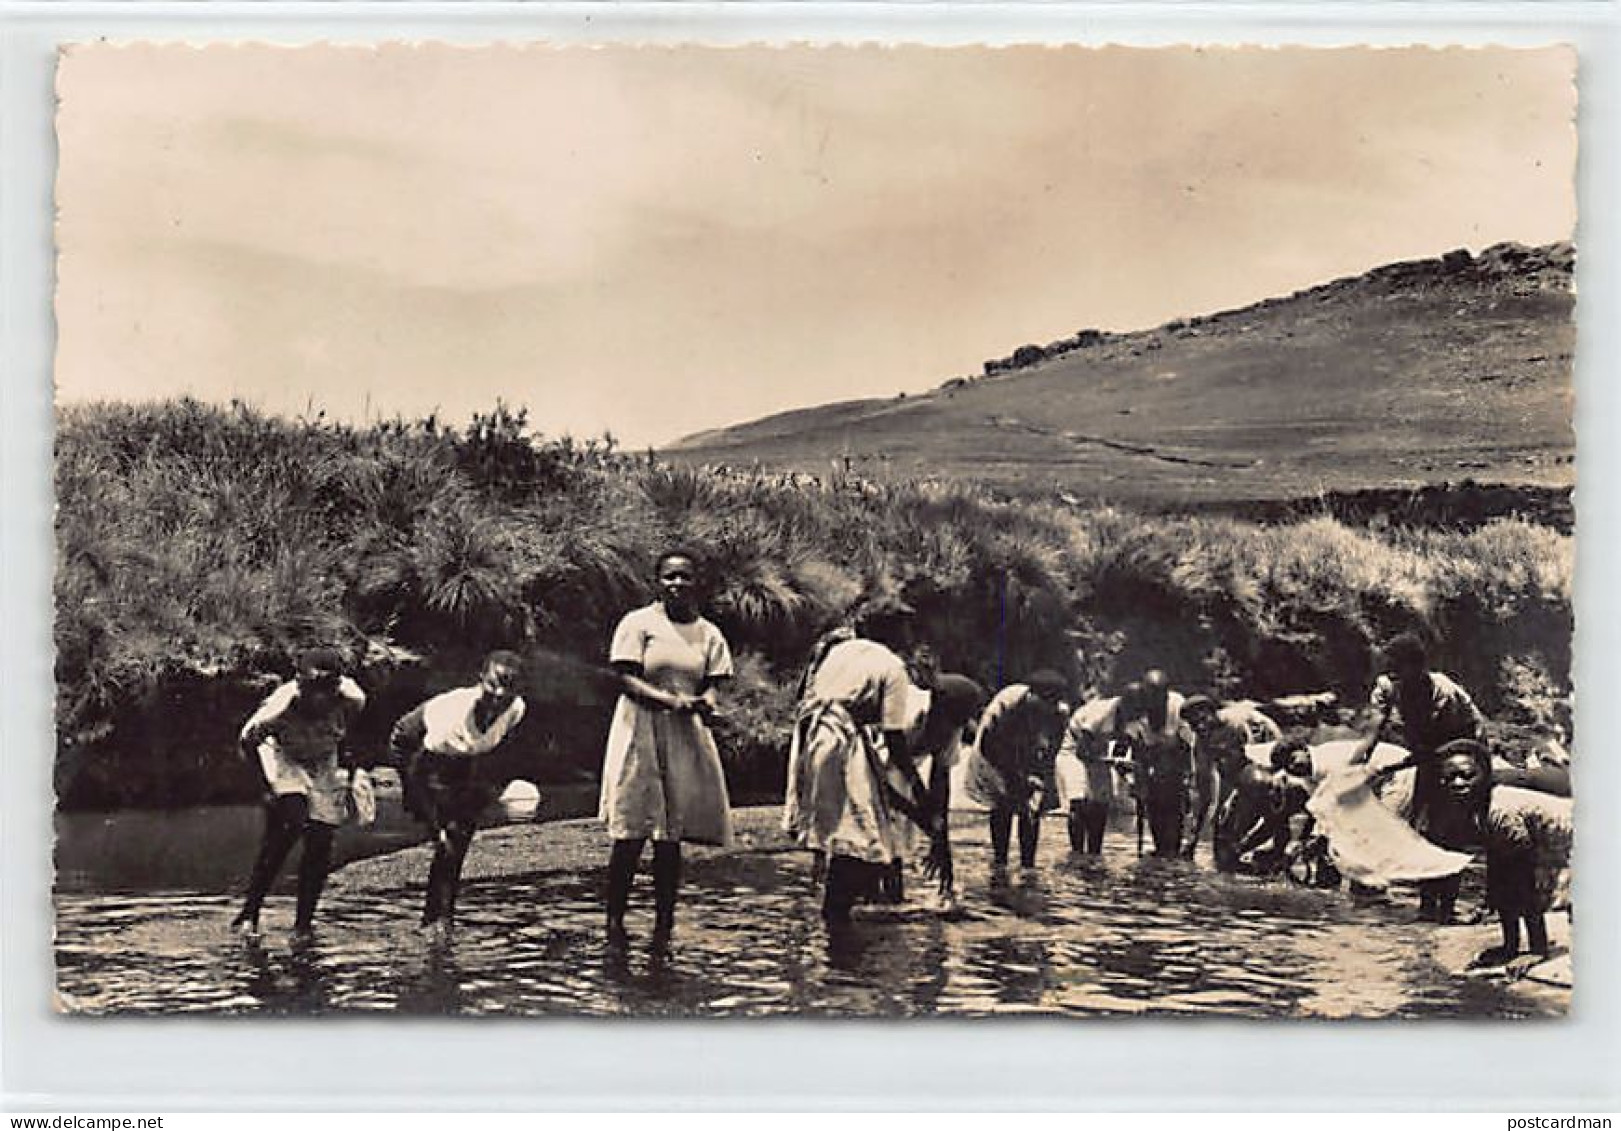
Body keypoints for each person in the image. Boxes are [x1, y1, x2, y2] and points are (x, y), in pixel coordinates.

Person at [784, 611, 983, 925]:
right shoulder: (905, 703)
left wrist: (941, 845)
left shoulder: (951, 722)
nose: (950, 730)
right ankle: (838, 922)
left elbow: (941, 783)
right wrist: (918, 808)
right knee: (856, 838)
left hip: (861, 757)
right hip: (853, 755)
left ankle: (866, 917)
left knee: (878, 849)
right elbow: (882, 780)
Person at [599, 550, 735, 939]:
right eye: (669, 577)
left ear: (697, 582)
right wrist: (668, 701)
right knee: (631, 829)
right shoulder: (638, 623)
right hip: (639, 729)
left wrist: (707, 703)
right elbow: (625, 677)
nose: (677, 584)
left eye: (685, 577)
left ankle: (664, 925)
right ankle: (615, 924)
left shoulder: (708, 633)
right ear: (657, 581)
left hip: (683, 734)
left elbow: (712, 682)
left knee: (670, 835)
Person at [231, 648, 366, 941]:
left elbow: (352, 728)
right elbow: (246, 743)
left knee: (321, 839)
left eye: (326, 692)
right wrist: (266, 788)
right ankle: (250, 912)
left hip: (322, 758)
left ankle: (303, 924)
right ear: (299, 684)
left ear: (336, 689)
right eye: (311, 691)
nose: (319, 700)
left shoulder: (352, 697)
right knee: (290, 822)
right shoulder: (277, 707)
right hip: (282, 754)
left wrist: (350, 767)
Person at [389, 650, 527, 935]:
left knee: (458, 839)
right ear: (480, 679)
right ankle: (435, 922)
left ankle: (440, 920)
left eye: (509, 687)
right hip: (416, 750)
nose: (500, 694)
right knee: (445, 840)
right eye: (494, 684)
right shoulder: (453, 715)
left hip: (462, 760)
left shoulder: (516, 709)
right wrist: (429, 819)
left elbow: (492, 748)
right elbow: (416, 765)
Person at [1365, 632, 1486, 922]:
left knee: (1451, 835)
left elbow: (1444, 744)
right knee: (1422, 830)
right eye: (1389, 665)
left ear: (1417, 667)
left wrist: (1399, 766)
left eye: (1398, 665)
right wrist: (1360, 763)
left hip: (1464, 750)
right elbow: (1374, 729)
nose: (1392, 671)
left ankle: (1446, 908)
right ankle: (1426, 906)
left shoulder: (1442, 692)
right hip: (1430, 757)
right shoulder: (1390, 686)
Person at [1430, 739, 1573, 967]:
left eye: (1467, 776)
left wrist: (1537, 950)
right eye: (1449, 778)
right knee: (1505, 883)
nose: (1457, 783)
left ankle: (1538, 946)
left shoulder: (1500, 809)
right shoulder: (1477, 807)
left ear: (1485, 775)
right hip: (1552, 844)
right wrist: (1509, 946)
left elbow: (1525, 879)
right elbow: (1499, 868)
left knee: (1527, 886)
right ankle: (1512, 945)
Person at [970, 670, 1071, 869]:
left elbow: (1052, 751)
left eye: (1053, 704)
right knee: (1003, 803)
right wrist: (1018, 778)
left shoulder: (1059, 713)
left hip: (1030, 750)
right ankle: (1000, 862)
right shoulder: (1008, 706)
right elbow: (991, 747)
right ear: (1032, 696)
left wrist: (1040, 779)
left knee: (1032, 808)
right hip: (994, 751)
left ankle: (1028, 864)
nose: (1048, 708)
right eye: (1045, 703)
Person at [1182, 695, 1283, 860]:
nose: (1201, 726)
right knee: (1221, 838)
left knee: (1268, 812)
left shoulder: (1238, 722)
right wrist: (1193, 837)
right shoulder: (1201, 742)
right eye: (1194, 725)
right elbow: (1203, 790)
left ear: (1213, 712)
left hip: (1264, 769)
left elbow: (1267, 756)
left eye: (1203, 719)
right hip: (1235, 779)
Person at [1116, 669, 1196, 858]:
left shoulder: (1178, 706)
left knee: (1173, 818)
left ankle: (1172, 857)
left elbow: (1187, 746)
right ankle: (1161, 858)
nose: (1154, 702)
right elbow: (1136, 748)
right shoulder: (1136, 707)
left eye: (1159, 696)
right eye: (1150, 696)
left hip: (1175, 769)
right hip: (1151, 767)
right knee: (1154, 814)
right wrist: (1138, 781)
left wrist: (1186, 780)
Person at [1053, 687, 1137, 855]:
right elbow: (1082, 750)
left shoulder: (1132, 716)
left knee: (1101, 804)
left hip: (1099, 752)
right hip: (1073, 751)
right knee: (1079, 802)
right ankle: (1077, 852)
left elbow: (1124, 743)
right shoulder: (1101, 713)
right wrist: (1110, 761)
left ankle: (1094, 852)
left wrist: (1122, 765)